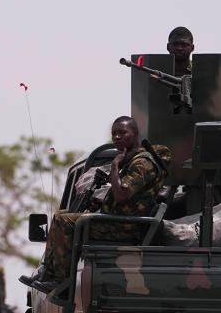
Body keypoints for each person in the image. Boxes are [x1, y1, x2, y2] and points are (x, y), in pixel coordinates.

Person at [23, 116, 172, 292]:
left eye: (122, 132)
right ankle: (47, 272)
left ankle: (60, 282)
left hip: (123, 226)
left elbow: (122, 194)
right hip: (117, 220)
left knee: (63, 222)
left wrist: (115, 166)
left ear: (135, 134)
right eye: (114, 134)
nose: (117, 137)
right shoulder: (133, 159)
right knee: (61, 215)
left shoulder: (142, 162)